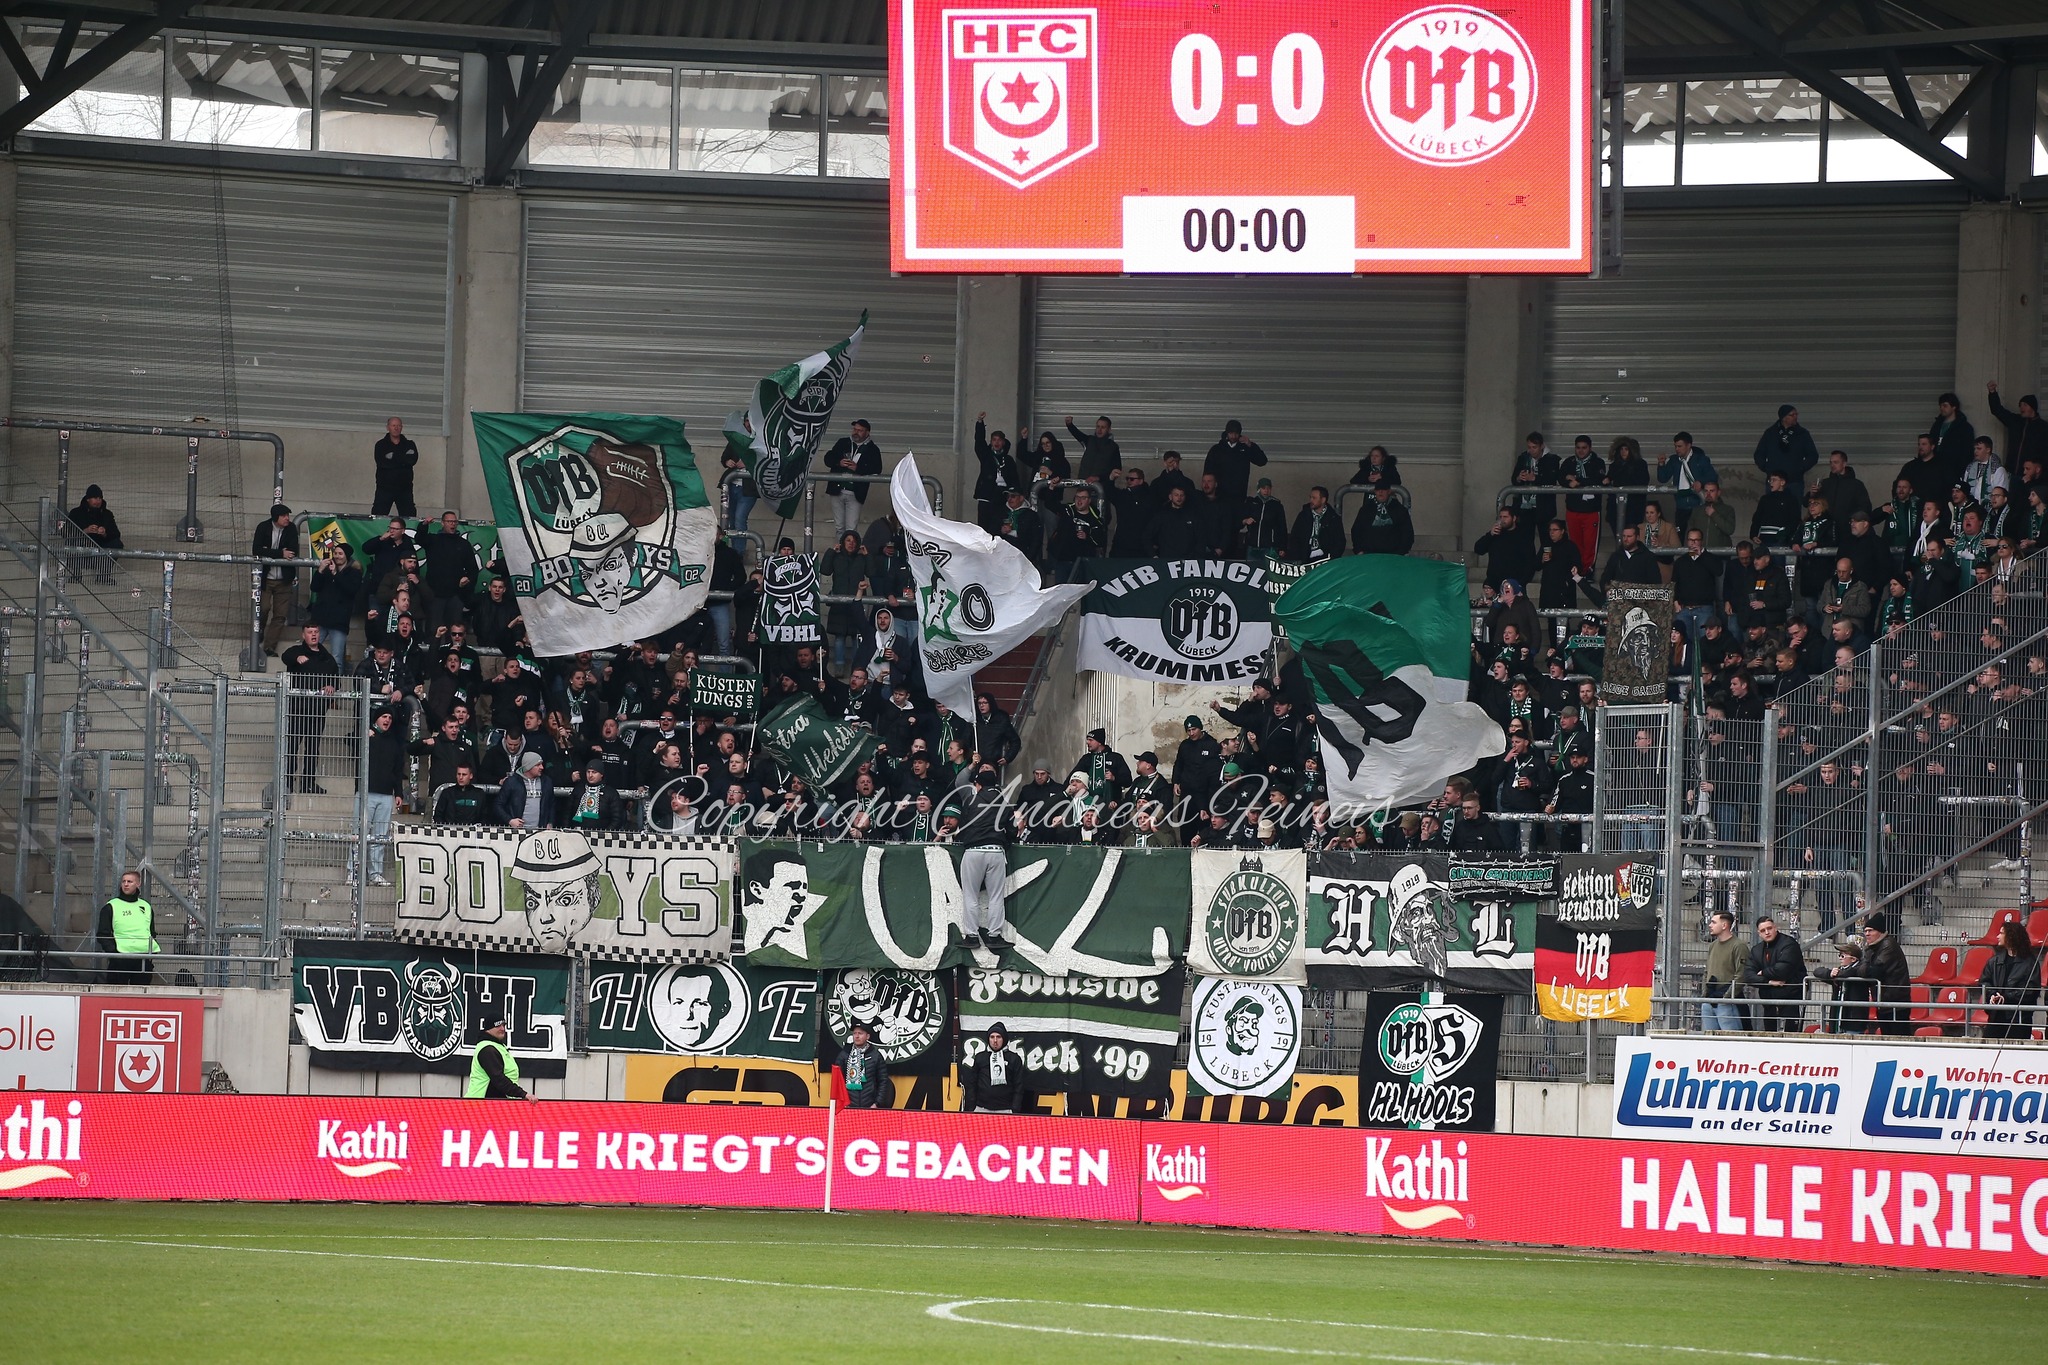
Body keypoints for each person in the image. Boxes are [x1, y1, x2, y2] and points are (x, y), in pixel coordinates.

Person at [280, 623, 340, 793]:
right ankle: (287, 783)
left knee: (313, 748)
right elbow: (286, 656)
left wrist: (331, 686)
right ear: (303, 634)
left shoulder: (327, 658)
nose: (313, 635)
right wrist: (297, 658)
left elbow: (336, 679)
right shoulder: (296, 651)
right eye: (310, 632)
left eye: (316, 632)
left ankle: (308, 784)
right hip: (298, 709)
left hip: (317, 710)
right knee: (292, 747)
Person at [349, 707, 406, 886]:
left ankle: (375, 874)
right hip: (366, 794)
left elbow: (397, 771)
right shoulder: (366, 737)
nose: (387, 720)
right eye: (384, 716)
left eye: (390, 717)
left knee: (380, 837)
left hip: (385, 796)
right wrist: (364, 735)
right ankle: (353, 872)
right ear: (376, 719)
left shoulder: (394, 743)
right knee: (358, 834)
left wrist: (399, 793)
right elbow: (348, 740)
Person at [1980, 919, 2044, 1041]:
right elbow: (1985, 982)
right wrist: (1993, 995)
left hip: (2018, 1020)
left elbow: (2031, 990)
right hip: (1996, 1017)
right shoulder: (1994, 961)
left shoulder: (2029, 963)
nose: (1998, 936)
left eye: (2001, 933)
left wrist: (2007, 997)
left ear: (2011, 936)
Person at [253, 502, 301, 656]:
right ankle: (259, 629)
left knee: (280, 615)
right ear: (275, 518)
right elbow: (257, 550)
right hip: (266, 578)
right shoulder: (263, 527)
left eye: (288, 515)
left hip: (284, 580)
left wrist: (270, 552)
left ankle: (269, 647)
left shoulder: (292, 528)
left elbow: (293, 551)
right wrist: (280, 553)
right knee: (264, 608)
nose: (287, 519)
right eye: (284, 516)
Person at [420, 510, 478, 637]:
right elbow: (420, 539)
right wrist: (424, 525)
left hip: (455, 595)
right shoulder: (434, 540)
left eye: (454, 521)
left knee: (454, 630)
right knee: (434, 630)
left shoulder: (463, 544)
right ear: (442, 523)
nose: (452, 524)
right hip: (435, 595)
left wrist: (467, 579)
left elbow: (473, 569)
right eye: (449, 521)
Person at [1744, 915, 1807, 1032]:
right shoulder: (1757, 950)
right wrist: (1768, 982)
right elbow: (1748, 976)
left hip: (1791, 996)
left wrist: (1763, 972)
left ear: (1775, 928)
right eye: (1763, 930)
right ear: (1759, 933)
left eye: (1769, 928)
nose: (1767, 932)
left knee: (1792, 1035)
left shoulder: (1789, 944)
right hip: (1769, 998)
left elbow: (1783, 970)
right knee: (1769, 1033)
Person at [94, 870, 155, 985]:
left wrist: (150, 955)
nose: (126, 884)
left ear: (138, 884)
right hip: (120, 959)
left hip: (142, 959)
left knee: (140, 997)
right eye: (123, 881)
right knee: (116, 997)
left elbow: (152, 932)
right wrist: (114, 953)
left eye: (130, 881)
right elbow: (103, 934)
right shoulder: (111, 906)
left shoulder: (146, 906)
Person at [308, 541, 363, 667]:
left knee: (336, 657)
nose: (337, 556)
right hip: (321, 618)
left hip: (339, 621)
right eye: (335, 553)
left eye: (340, 553)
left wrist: (336, 574)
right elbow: (314, 587)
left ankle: (335, 686)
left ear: (346, 556)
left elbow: (351, 590)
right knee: (311, 652)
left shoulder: (354, 573)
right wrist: (320, 570)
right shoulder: (326, 570)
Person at [824, 419, 882, 536]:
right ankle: (840, 551)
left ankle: (849, 552)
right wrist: (838, 462)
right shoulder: (843, 442)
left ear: (867, 433)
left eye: (860, 430)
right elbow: (828, 458)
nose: (856, 432)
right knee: (839, 526)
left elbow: (877, 469)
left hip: (855, 492)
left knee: (851, 528)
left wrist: (858, 468)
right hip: (837, 489)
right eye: (854, 429)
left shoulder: (873, 449)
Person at [972, 414, 1024, 535]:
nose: (997, 442)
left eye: (999, 440)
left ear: (1004, 442)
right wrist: (980, 423)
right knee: (984, 529)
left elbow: (1014, 479)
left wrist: (1017, 494)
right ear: (990, 441)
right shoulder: (985, 455)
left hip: (1002, 498)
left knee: (1000, 528)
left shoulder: (1009, 460)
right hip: (986, 496)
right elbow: (979, 441)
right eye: (994, 439)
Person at [962, 1022, 1026, 1113]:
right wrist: (972, 1107)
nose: (995, 1040)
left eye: (998, 1037)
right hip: (981, 1108)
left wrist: (1014, 1109)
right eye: (992, 1037)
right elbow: (972, 1083)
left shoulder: (1014, 1059)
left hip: (1005, 1110)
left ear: (1004, 1039)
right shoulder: (981, 1057)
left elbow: (1019, 1086)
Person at [1657, 432, 1716, 530]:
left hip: (1697, 505)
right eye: (1675, 446)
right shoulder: (1674, 460)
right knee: (1680, 533)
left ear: (1689, 445)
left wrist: (1700, 482)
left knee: (1697, 533)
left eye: (1680, 446)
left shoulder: (1701, 459)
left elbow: (1712, 476)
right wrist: (1661, 464)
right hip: (1681, 504)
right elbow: (1663, 478)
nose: (1677, 449)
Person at [466, 1014, 533, 1100]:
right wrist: (523, 1094)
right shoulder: (488, 1049)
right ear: (488, 1029)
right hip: (482, 1103)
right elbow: (498, 1079)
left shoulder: (498, 1046)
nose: (502, 1029)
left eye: (504, 1025)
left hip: (493, 1102)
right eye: (497, 1026)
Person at [65, 483, 123, 582]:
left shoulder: (107, 514)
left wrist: (104, 533)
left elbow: (116, 534)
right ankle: (76, 574)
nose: (98, 501)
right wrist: (85, 531)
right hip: (82, 544)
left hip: (100, 546)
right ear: (88, 499)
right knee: (72, 541)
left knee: (117, 543)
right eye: (95, 498)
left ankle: (103, 575)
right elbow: (65, 531)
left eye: (100, 498)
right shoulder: (76, 513)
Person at [1987, 380, 2048, 472]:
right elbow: (1997, 410)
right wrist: (1992, 393)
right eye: (2020, 405)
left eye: (2025, 405)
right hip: (2011, 471)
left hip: (2030, 474)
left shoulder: (2043, 427)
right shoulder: (2015, 421)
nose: (2021, 408)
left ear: (2033, 407)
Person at [1203, 419, 1267, 506]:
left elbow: (1262, 461)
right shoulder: (1217, 449)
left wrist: (1251, 445)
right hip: (1219, 495)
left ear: (1240, 434)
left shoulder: (1245, 449)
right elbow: (1208, 471)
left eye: (1236, 433)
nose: (1233, 436)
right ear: (1227, 433)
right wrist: (1209, 491)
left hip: (1239, 496)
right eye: (1231, 433)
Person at [1701, 910, 1747, 1031]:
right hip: (1710, 998)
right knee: (1710, 1038)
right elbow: (1707, 971)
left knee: (1731, 1039)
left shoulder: (1738, 945)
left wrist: (1727, 997)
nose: (1710, 925)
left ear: (1724, 925)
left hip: (1726, 1000)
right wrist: (1705, 995)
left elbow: (1741, 974)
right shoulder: (1713, 946)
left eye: (1713, 922)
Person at [1753, 404, 1818, 484]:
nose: (1795, 417)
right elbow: (1759, 454)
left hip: (1794, 481)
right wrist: (1767, 468)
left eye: (1796, 414)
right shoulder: (1770, 433)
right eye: (1792, 415)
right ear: (1783, 418)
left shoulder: (1802, 434)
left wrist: (1800, 468)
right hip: (1774, 481)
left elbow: (1812, 455)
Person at [836, 1018, 890, 1109]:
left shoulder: (875, 1055)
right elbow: (837, 1081)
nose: (857, 1036)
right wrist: (842, 1103)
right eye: (854, 1033)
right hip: (848, 1107)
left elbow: (883, 1081)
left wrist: (877, 1104)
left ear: (867, 1036)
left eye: (860, 1033)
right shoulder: (844, 1054)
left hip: (870, 1106)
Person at [372, 416, 419, 518]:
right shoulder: (380, 445)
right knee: (378, 515)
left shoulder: (410, 444)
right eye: (393, 425)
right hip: (385, 488)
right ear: (388, 427)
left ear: (402, 427)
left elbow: (412, 460)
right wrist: (403, 459)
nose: (396, 428)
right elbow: (382, 463)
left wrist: (393, 457)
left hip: (405, 488)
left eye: (398, 425)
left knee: (409, 516)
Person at [495, 749, 554, 829]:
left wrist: (550, 822)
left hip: (540, 831)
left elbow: (551, 804)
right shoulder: (512, 782)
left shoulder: (547, 782)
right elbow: (498, 805)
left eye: (541, 764)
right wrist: (510, 820)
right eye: (538, 765)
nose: (542, 767)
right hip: (518, 832)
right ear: (528, 767)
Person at [1350, 484, 1414, 556]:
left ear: (1389, 491)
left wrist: (1401, 552)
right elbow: (1356, 530)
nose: (1380, 492)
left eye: (1383, 490)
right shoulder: (1366, 509)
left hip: (1393, 556)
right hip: (1368, 555)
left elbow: (1407, 533)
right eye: (1378, 490)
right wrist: (1359, 550)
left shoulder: (1399, 510)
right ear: (1375, 491)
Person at [1288, 485, 1344, 563]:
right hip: (1305, 558)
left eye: (1314, 498)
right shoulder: (1304, 515)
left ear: (1323, 500)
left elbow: (1339, 541)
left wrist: (1332, 558)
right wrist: (1296, 556)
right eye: (1310, 497)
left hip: (1325, 559)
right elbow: (1295, 536)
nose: (1311, 500)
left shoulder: (1333, 518)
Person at [1064, 414, 1121, 485]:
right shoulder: (1089, 440)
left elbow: (1117, 469)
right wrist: (1069, 425)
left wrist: (1099, 478)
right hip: (1084, 484)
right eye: (1098, 426)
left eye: (1103, 427)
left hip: (1101, 487)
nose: (1099, 430)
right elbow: (1077, 434)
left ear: (1109, 429)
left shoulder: (1113, 447)